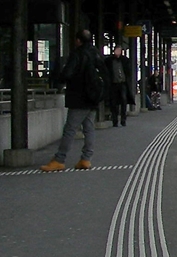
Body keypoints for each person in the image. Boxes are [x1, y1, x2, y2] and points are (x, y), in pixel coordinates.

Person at [41, 29, 108, 171]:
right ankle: (86, 159)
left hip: (79, 96)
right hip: (93, 96)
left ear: (78, 40)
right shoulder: (95, 53)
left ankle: (59, 159)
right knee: (89, 128)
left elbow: (68, 73)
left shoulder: (78, 54)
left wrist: (58, 78)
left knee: (70, 129)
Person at [105, 45, 135, 127]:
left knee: (123, 100)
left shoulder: (125, 60)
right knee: (114, 102)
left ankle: (123, 119)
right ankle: (115, 120)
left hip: (123, 83)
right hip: (113, 84)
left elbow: (128, 71)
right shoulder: (109, 61)